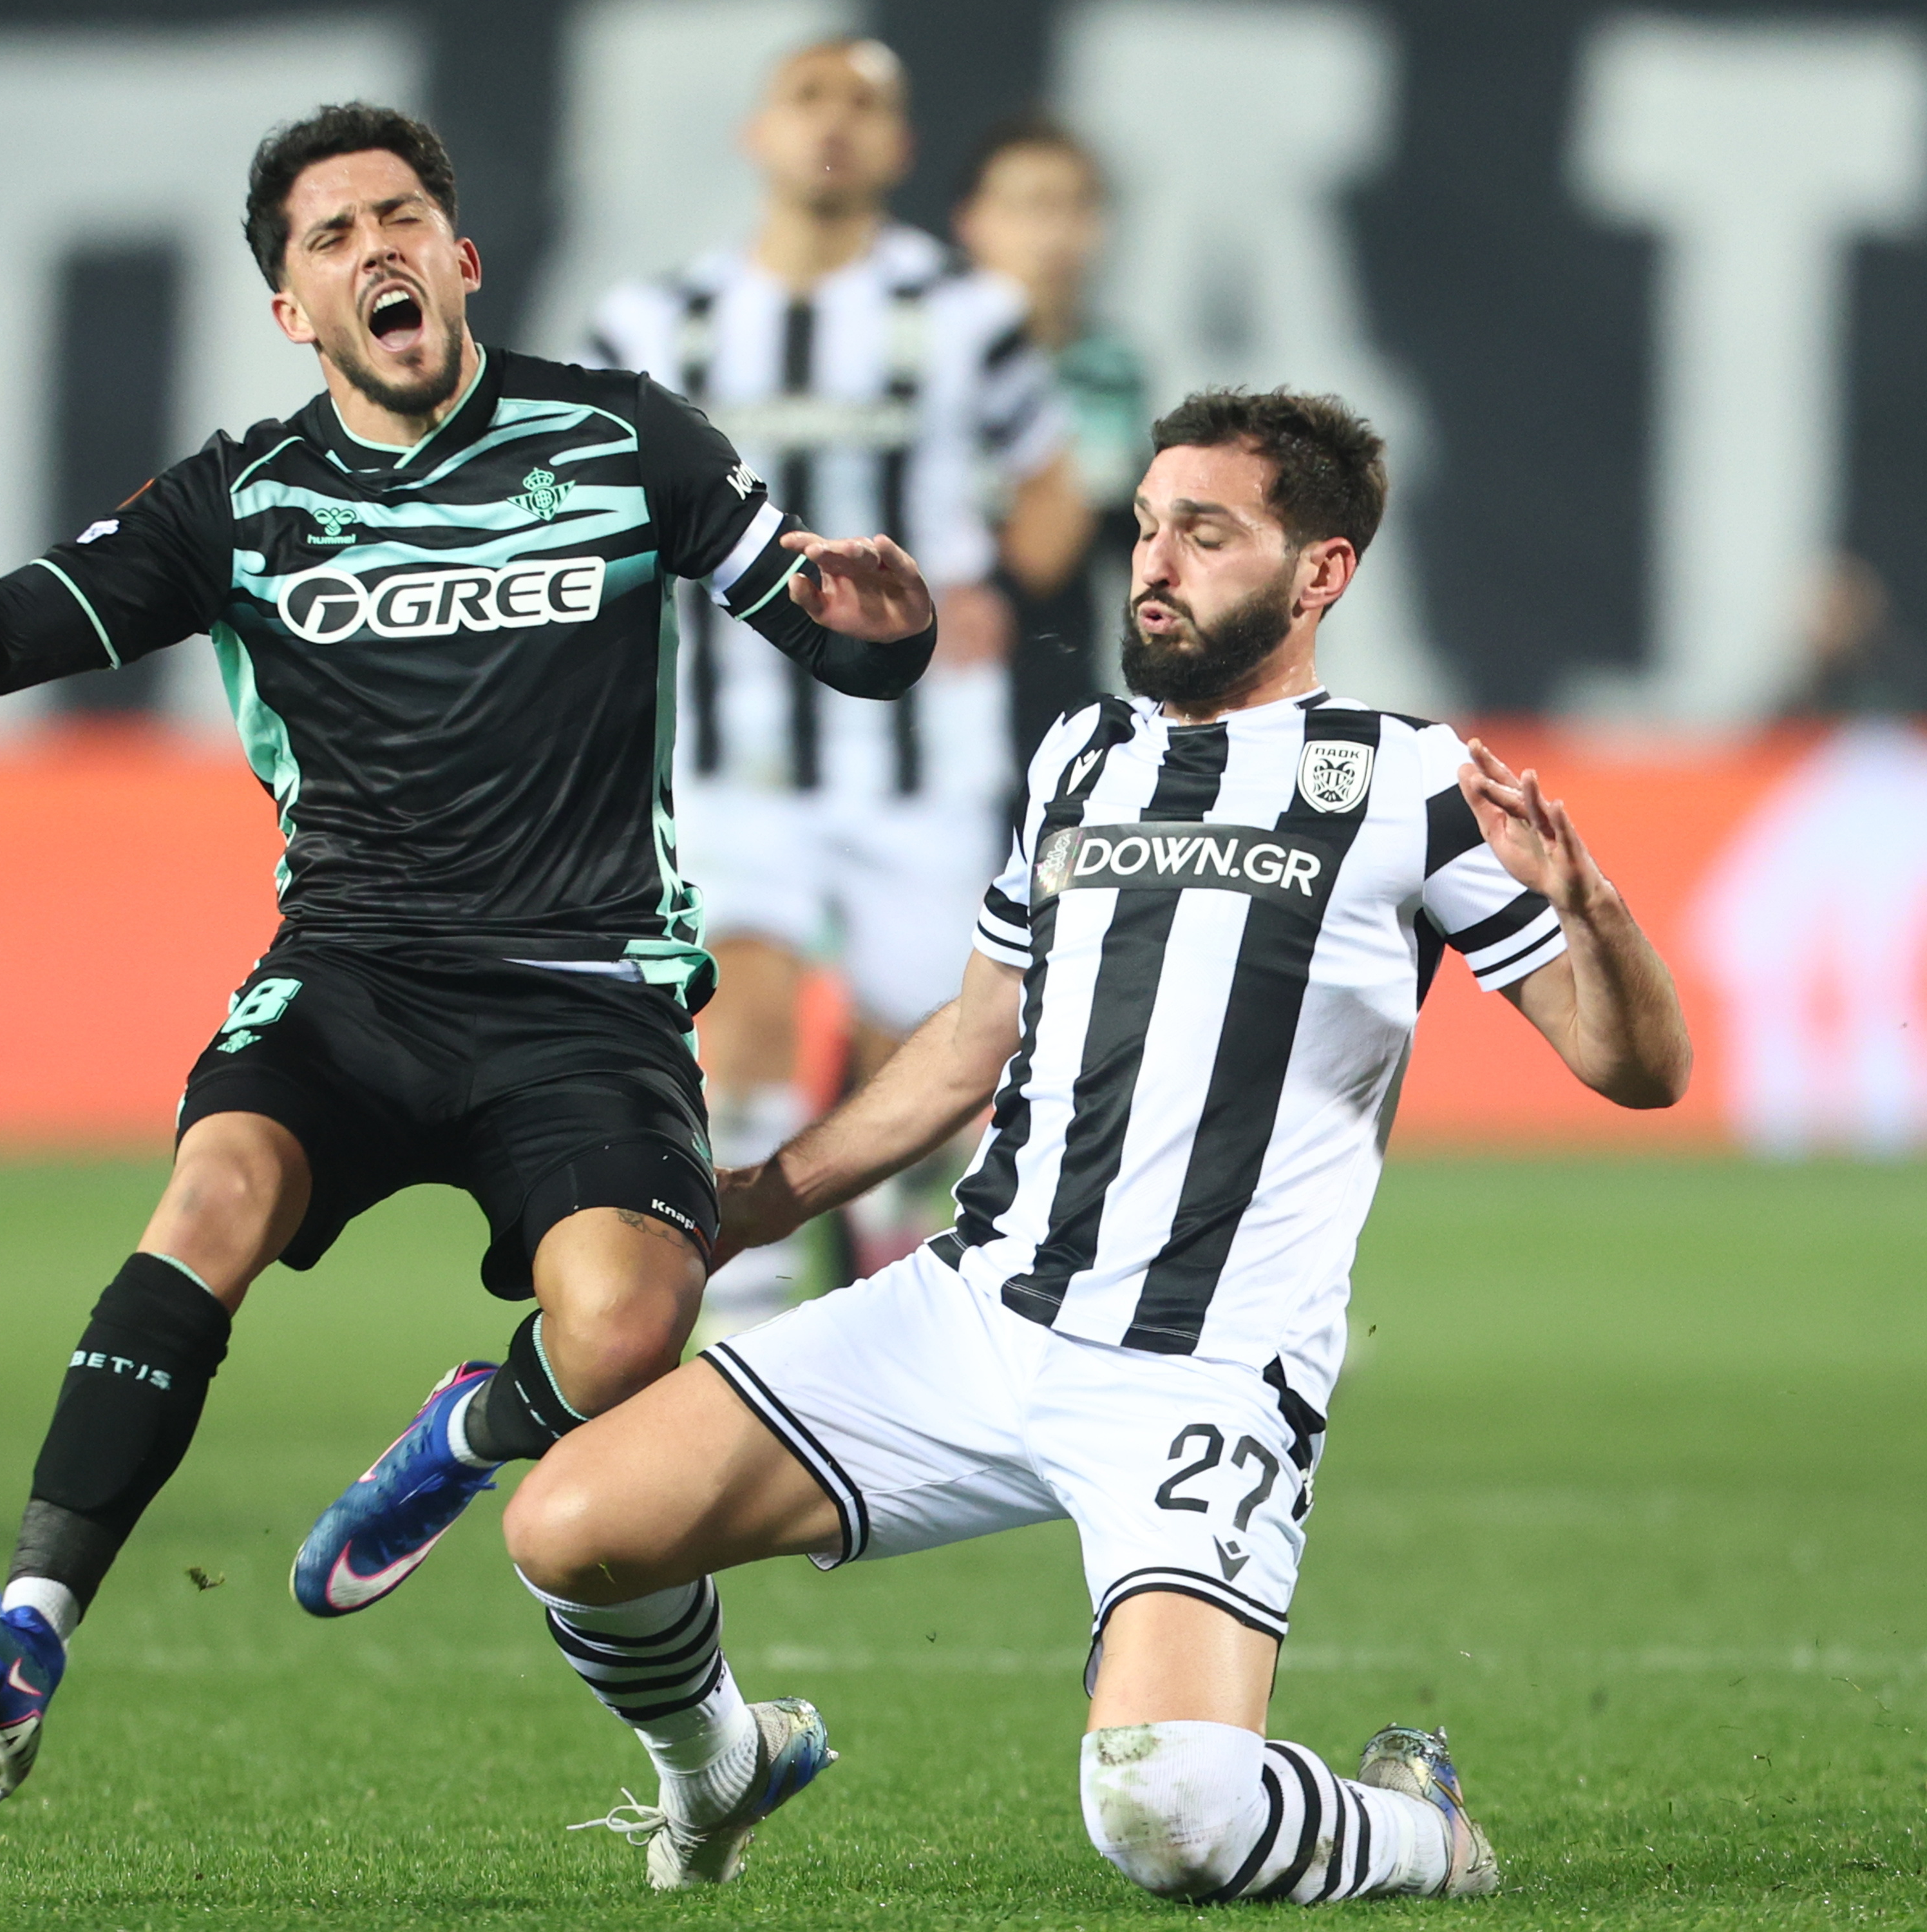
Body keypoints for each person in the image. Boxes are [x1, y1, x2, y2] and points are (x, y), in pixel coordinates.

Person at [0, 102, 940, 1803]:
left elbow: (836, 639)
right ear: (290, 309)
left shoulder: (625, 441)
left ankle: (464, 1431)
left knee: (627, 1327)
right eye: (331, 235)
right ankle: (25, 1635)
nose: (375, 246)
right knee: (212, 1194)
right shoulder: (239, 500)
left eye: (400, 217)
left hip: (583, 991)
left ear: (461, 259)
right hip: (355, 977)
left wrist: (888, 634)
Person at [502, 388, 1693, 1895]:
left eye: (1205, 532)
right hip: (974, 1311)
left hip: (1202, 1364)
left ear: (1319, 572)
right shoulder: (1083, 753)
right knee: (572, 1525)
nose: (1153, 561)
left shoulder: (1409, 780)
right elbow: (970, 1037)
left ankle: (1422, 1827)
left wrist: (1593, 910)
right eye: (1143, 525)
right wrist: (757, 1199)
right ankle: (718, 1764)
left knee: (1168, 1815)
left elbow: (1634, 1066)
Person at [584, 39, 1082, 1328]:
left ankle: (887, 1293)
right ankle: (742, 1344)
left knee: (913, 1073)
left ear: (900, 149)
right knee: (741, 1018)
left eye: (865, 106)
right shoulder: (654, 325)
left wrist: (996, 590)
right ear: (757, 133)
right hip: (732, 750)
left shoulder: (968, 317)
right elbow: (592, 509)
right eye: (810, 99)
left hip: (922, 755)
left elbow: (1049, 488)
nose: (835, 125)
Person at [953, 113, 1150, 764]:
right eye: (1031, 207)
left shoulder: (1111, 370)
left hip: (1057, 705)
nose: (1055, 234)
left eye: (1077, 207)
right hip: (932, 690)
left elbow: (1107, 544)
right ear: (971, 222)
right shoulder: (917, 367)